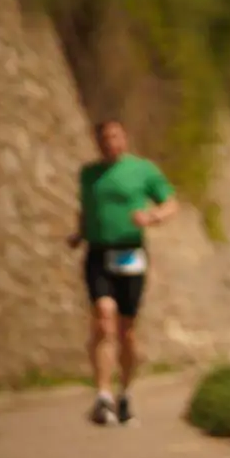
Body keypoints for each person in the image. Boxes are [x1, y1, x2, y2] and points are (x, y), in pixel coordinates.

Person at [67, 119, 179, 427]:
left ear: (124, 138)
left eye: (115, 137)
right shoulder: (88, 174)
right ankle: (103, 396)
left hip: (131, 254)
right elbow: (87, 209)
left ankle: (126, 392)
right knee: (103, 318)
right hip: (98, 252)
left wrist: (153, 217)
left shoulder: (143, 170)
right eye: (104, 138)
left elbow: (171, 203)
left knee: (126, 330)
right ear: (97, 142)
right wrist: (79, 233)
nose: (110, 143)